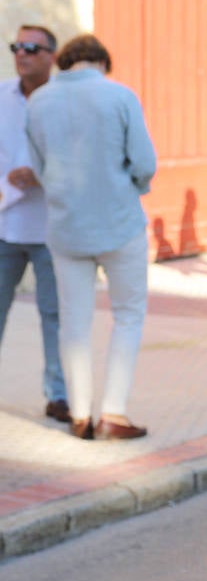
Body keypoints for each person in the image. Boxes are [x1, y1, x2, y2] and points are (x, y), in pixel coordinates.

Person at [25, 33, 157, 440]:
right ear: (102, 62)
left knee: (73, 324)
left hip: (66, 227)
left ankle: (80, 414)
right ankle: (113, 413)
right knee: (129, 316)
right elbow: (144, 162)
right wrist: (131, 186)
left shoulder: (38, 101)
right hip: (119, 223)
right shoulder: (119, 96)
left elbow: (38, 165)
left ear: (64, 61)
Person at [1, 25, 66, 422]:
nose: (21, 54)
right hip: (4, 224)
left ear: (51, 57)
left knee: (54, 314)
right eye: (16, 47)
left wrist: (41, 175)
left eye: (31, 47)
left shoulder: (63, 101)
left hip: (49, 228)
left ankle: (58, 395)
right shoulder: (1, 96)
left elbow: (79, 159)